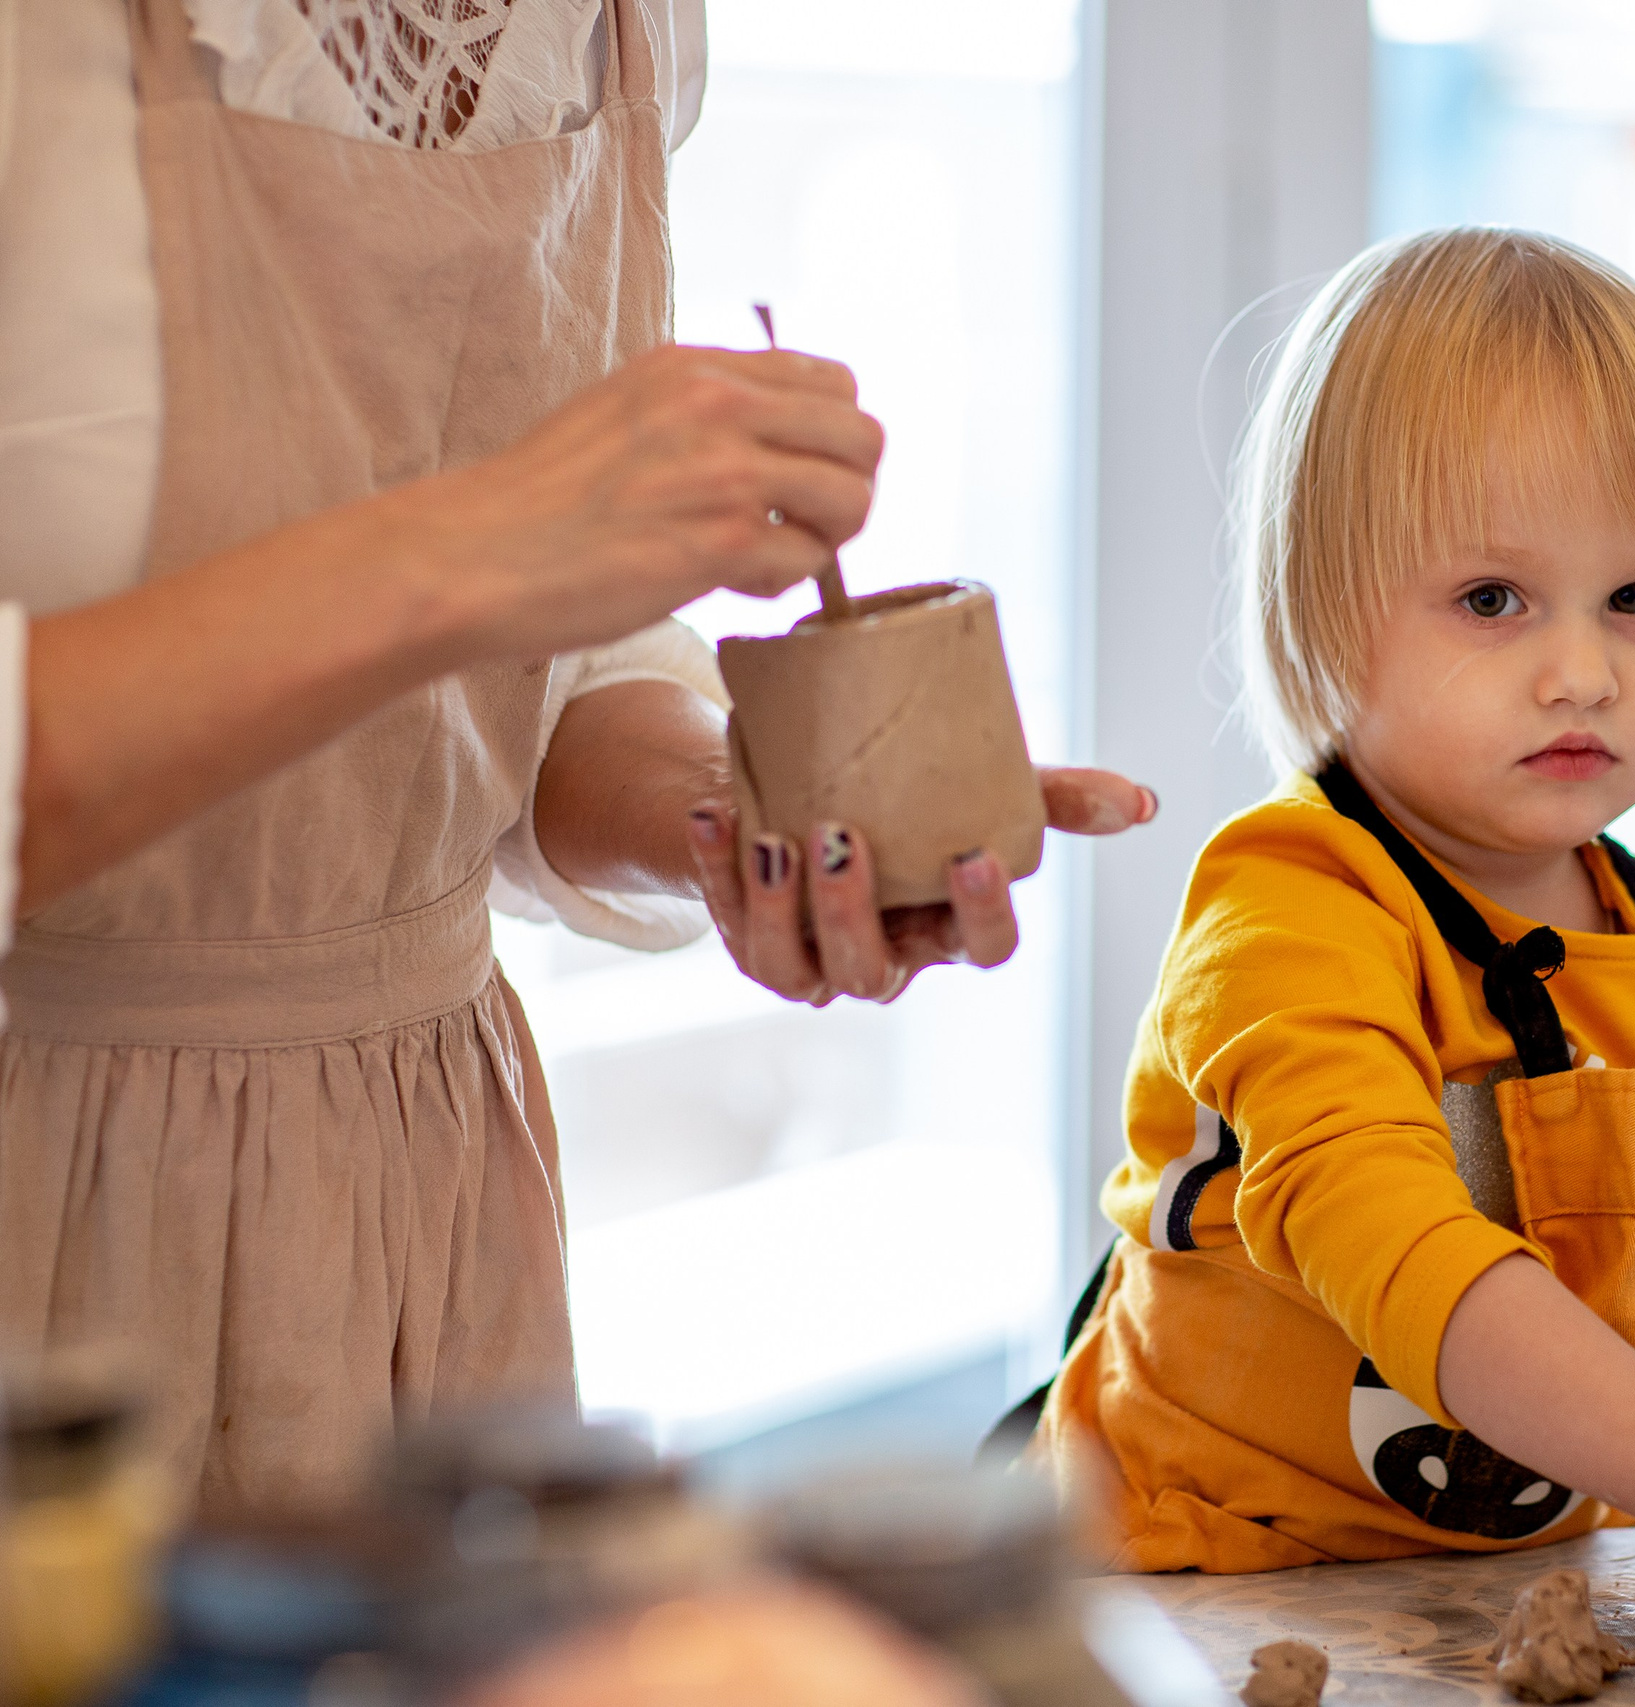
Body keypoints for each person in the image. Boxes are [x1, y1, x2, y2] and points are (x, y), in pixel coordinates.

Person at [0, 0, 1147, 1515]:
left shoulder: (617, 28)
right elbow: (495, 561)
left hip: (426, 1201)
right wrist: (476, 544)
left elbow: (528, 684)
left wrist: (736, 821)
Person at [1029, 227, 1635, 1687]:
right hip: (1201, 1587)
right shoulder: (1286, 911)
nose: (1584, 670)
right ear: (1316, 610)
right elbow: (1417, 1266)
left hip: (1512, 1591)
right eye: (1493, 601)